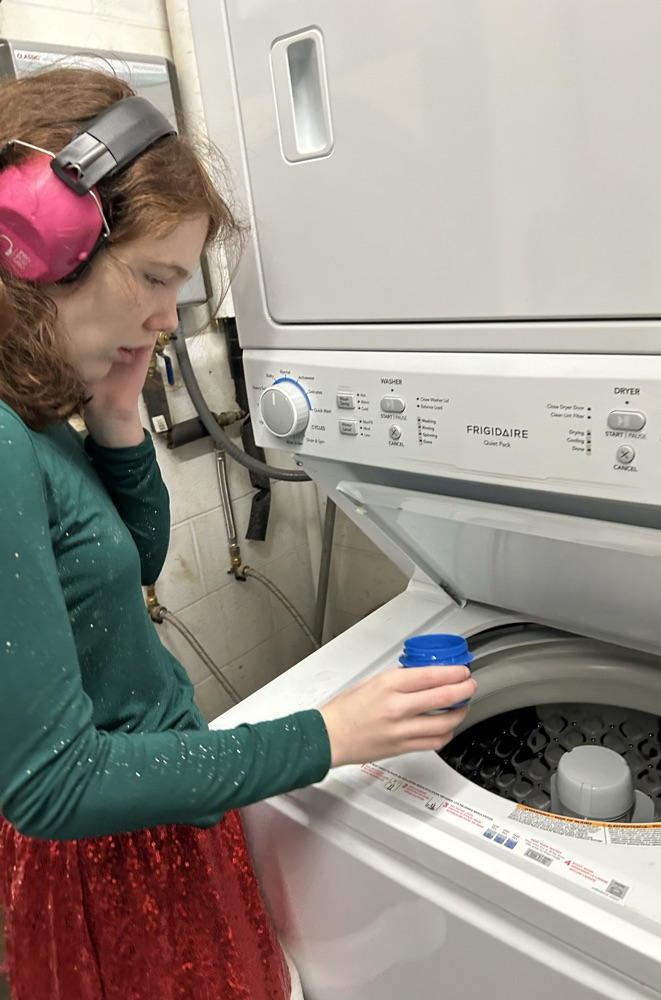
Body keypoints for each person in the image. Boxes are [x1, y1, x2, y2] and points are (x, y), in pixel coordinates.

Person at [0, 66, 476, 1000]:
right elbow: (52, 784)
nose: (161, 318)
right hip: (104, 851)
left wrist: (119, 419)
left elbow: (126, 566)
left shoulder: (36, 420)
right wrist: (326, 734)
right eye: (153, 277)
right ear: (35, 242)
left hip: (160, 803)